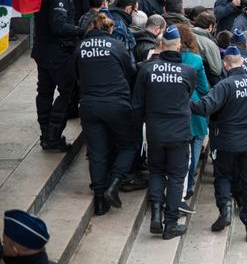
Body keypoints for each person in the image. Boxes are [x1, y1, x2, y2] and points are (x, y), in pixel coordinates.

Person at [191, 45, 247, 242]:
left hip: (226, 141)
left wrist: (183, 99)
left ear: (225, 64)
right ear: (241, 62)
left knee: (223, 176)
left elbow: (205, 107)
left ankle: (225, 209)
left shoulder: (224, 85)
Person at [132, 25, 196, 239]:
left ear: (160, 45)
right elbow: (188, 96)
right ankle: (170, 224)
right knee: (177, 178)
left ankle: (156, 216)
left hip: (155, 131)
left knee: (157, 172)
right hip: (179, 133)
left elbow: (138, 103)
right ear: (179, 46)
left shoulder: (147, 69)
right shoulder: (188, 71)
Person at [71, 13, 137, 215]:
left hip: (89, 105)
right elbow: (131, 72)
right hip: (116, 104)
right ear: (110, 29)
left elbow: (73, 74)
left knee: (97, 152)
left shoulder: (80, 48)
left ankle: (100, 201)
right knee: (129, 145)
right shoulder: (117, 46)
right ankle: (114, 184)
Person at [32, 0, 84, 152]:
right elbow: (59, 25)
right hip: (56, 53)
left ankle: (46, 133)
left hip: (42, 51)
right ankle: (52, 134)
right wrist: (80, 30)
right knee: (67, 91)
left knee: (44, 92)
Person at [176, 23, 209, 201]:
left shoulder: (161, 58)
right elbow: (204, 87)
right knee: (195, 145)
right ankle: (188, 187)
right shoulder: (195, 60)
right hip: (193, 106)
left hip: (169, 109)